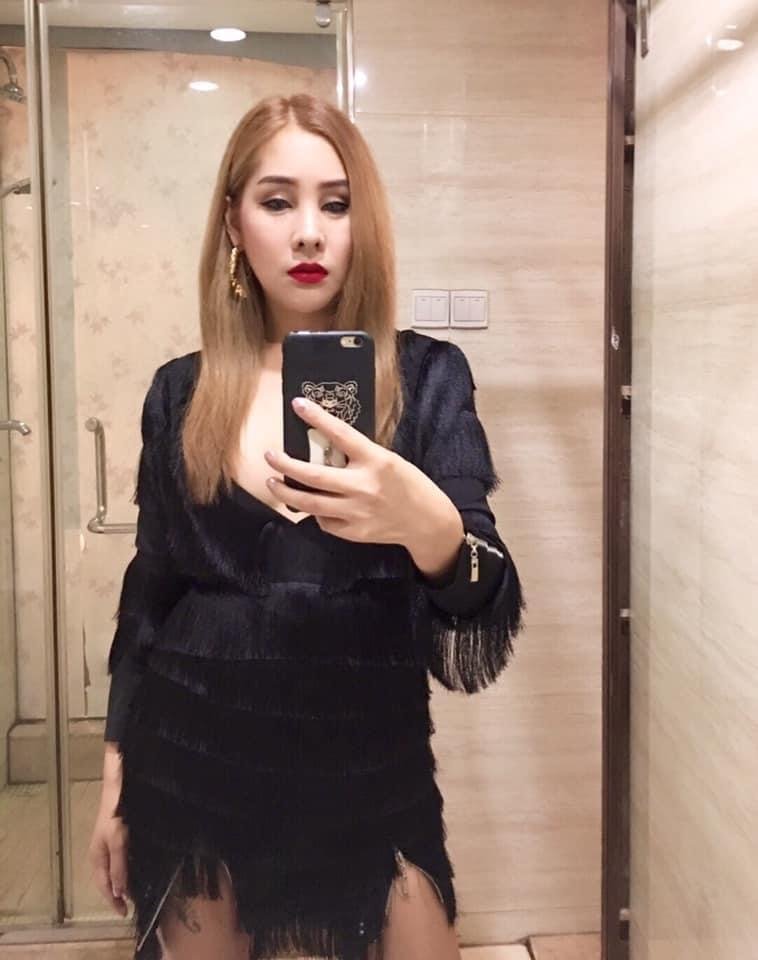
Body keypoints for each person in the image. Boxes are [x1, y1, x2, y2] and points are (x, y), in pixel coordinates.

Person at [87, 92, 525, 960]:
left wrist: (427, 526)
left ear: (366, 221)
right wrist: (113, 786)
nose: (310, 233)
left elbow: (485, 595)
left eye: (337, 202)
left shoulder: (427, 379)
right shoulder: (180, 391)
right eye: (278, 201)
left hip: (372, 770)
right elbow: (149, 602)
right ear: (233, 223)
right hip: (194, 764)